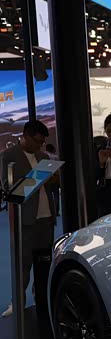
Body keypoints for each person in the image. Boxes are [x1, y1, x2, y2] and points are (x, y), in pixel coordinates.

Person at [1, 120, 56, 318]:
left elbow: (51, 187)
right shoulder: (9, 156)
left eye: (42, 142)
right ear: (25, 136)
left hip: (46, 217)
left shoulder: (44, 156)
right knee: (22, 265)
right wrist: (35, 180)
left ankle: (42, 299)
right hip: (24, 219)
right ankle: (17, 302)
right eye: (37, 141)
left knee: (44, 264)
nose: (40, 146)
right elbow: (7, 187)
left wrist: (54, 179)